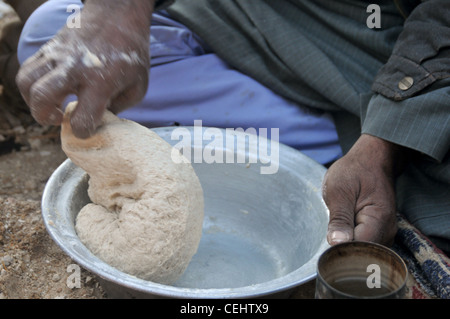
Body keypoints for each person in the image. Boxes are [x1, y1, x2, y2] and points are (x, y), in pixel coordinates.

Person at [15, 0, 450, 255]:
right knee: (48, 32)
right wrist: (120, 10)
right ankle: (311, 134)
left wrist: (383, 143)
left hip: (363, 43)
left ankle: (358, 129)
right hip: (238, 13)